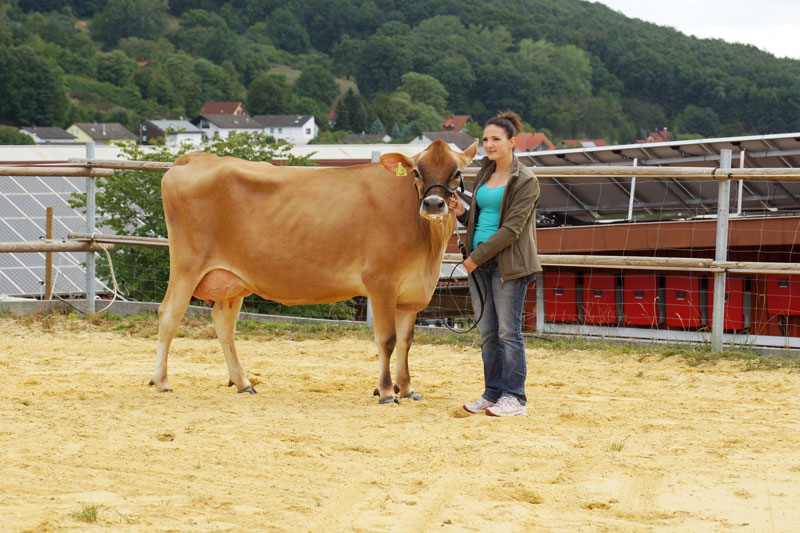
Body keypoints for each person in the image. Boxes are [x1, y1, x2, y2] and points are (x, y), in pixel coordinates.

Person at [449, 111, 541, 417]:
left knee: (508, 333)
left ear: (512, 142)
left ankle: (515, 397)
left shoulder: (525, 180)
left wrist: (475, 258)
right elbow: (481, 220)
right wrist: (462, 213)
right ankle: (492, 393)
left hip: (508, 264)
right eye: (486, 139)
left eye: (496, 139)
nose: (489, 144)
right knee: (488, 333)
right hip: (479, 263)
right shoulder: (484, 174)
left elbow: (511, 230)